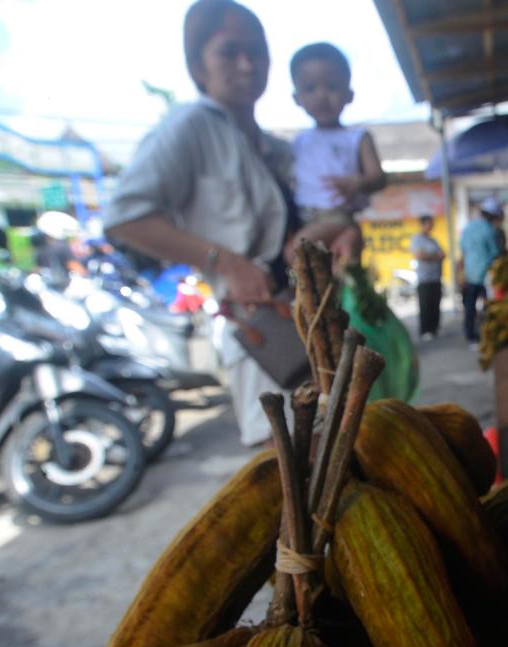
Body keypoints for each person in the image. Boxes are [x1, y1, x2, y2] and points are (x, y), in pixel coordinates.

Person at [102, 0, 292, 447]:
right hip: (260, 328)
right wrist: (225, 262)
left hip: (304, 313)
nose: (247, 65)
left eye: (257, 52)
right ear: (197, 66)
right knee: (289, 463)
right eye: (229, 52)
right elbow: (125, 218)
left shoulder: (274, 149)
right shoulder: (189, 125)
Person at [289, 42, 385, 268]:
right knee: (328, 271)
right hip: (305, 218)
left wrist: (357, 183)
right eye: (311, 88)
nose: (322, 96)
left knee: (296, 255)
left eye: (332, 87)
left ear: (349, 94)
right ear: (297, 98)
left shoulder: (357, 137)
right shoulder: (298, 143)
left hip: (337, 216)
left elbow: (379, 177)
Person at [457, 198, 503, 344]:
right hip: (486, 274)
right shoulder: (490, 230)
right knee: (489, 306)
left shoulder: (468, 227)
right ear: (493, 216)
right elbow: (495, 253)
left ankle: (470, 335)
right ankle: (489, 333)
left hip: (469, 273)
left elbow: (463, 251)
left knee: (470, 306)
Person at [410, 214, 444, 341]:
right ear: (423, 224)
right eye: (429, 223)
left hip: (436, 278)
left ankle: (434, 329)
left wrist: (432, 255)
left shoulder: (432, 240)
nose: (431, 226)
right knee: (425, 305)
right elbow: (420, 255)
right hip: (424, 279)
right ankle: (426, 330)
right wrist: (435, 256)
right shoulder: (417, 239)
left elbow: (443, 254)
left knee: (435, 304)